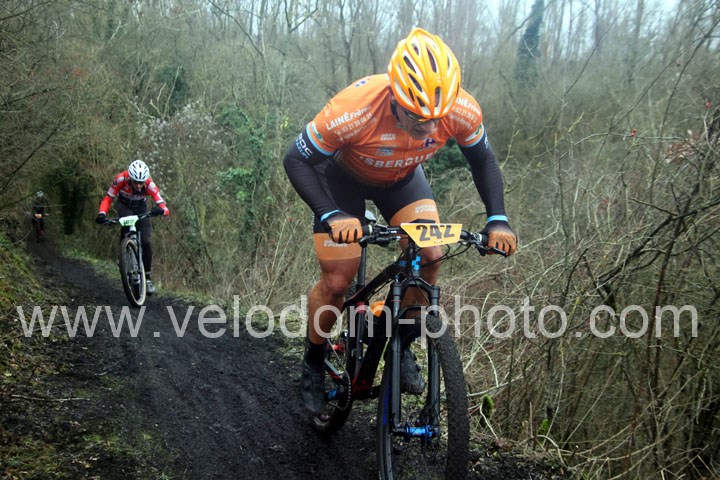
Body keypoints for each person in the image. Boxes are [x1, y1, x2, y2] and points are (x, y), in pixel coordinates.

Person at [283, 27, 518, 414]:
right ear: (394, 97)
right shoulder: (353, 109)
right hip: (339, 180)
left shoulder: (460, 109)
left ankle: (401, 343)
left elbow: (483, 160)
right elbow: (296, 159)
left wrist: (498, 219)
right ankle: (313, 362)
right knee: (338, 280)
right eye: (418, 117)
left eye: (436, 118)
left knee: (430, 256)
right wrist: (330, 214)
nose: (430, 128)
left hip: (402, 180)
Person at [95, 159, 169, 294]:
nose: (139, 186)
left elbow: (163, 206)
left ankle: (147, 279)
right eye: (136, 182)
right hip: (124, 206)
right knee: (127, 222)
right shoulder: (120, 179)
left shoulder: (149, 184)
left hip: (141, 208)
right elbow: (108, 198)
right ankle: (124, 254)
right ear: (130, 178)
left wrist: (161, 210)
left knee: (146, 241)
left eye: (141, 182)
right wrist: (102, 213)